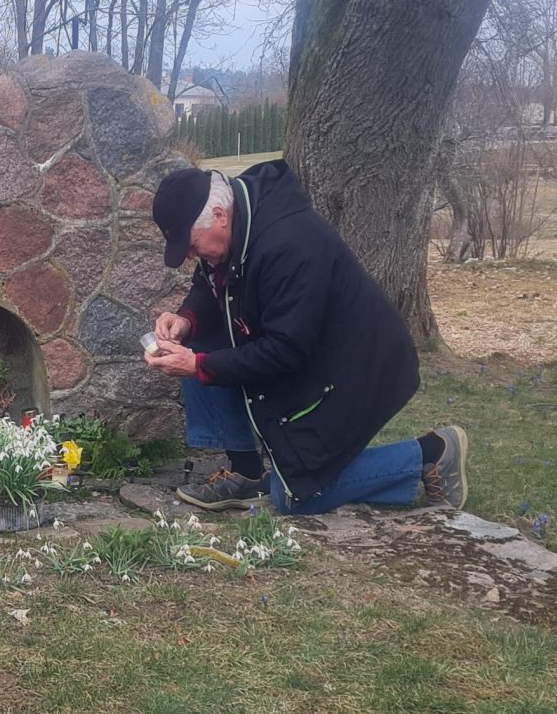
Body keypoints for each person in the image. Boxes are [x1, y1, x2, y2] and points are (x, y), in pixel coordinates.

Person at [144, 161, 468, 516]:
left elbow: (285, 350)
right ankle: (247, 474)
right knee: (196, 346)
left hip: (355, 370)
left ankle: (431, 454)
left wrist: (197, 366)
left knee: (294, 496)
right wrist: (186, 320)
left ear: (219, 216)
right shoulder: (235, 223)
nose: (191, 256)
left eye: (191, 245)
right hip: (308, 356)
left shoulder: (288, 244)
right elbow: (209, 285)